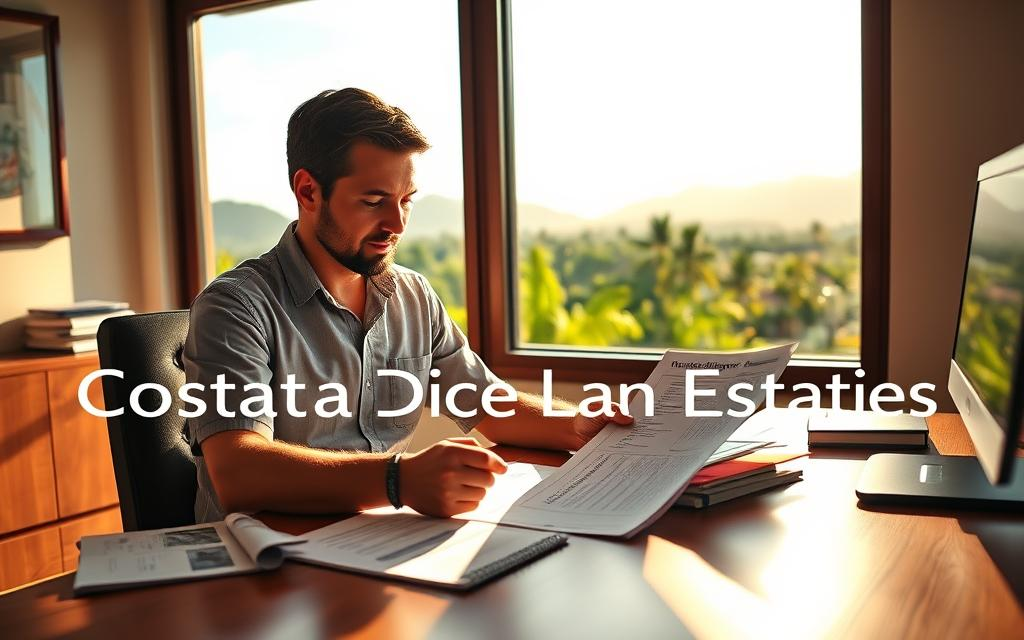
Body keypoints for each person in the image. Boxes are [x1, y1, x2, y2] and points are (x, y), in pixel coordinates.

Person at [183, 88, 632, 523]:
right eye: (374, 201)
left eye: (405, 201)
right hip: (265, 561)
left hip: (375, 538)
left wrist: (575, 424)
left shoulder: (412, 295)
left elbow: (488, 403)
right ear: (308, 192)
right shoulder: (236, 306)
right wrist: (399, 480)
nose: (395, 224)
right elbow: (238, 472)